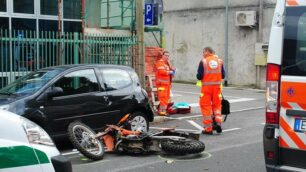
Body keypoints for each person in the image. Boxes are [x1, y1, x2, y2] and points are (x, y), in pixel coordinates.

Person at [196, 47, 225, 135]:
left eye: (203, 52)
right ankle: (219, 123)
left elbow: (199, 76)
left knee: (205, 106)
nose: (203, 54)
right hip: (217, 88)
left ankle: (208, 128)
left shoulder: (203, 61)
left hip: (206, 88)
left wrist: (199, 76)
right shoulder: (219, 61)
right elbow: (223, 75)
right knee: (217, 106)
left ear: (207, 52)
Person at [154, 50, 175, 116]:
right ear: (162, 55)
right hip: (161, 84)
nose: (167, 57)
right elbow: (162, 72)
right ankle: (161, 111)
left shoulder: (166, 63)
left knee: (166, 98)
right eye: (166, 55)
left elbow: (170, 70)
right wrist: (170, 72)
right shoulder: (160, 63)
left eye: (168, 56)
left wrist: (173, 70)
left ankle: (163, 111)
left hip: (166, 84)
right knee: (162, 98)